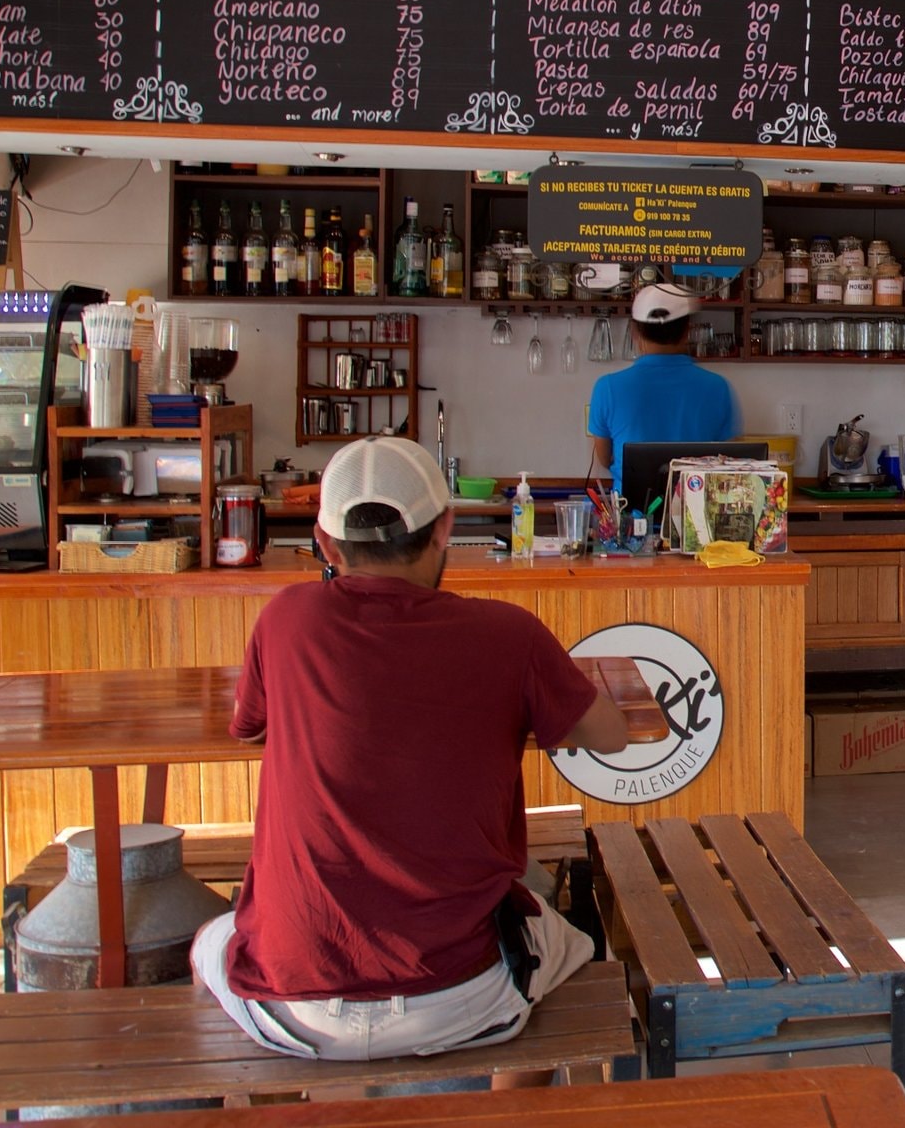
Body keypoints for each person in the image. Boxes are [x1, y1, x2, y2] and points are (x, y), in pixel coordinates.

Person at [191, 435, 631, 1061]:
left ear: (323, 541)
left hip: (293, 1008)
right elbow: (610, 735)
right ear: (445, 528)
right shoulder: (509, 634)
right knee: (580, 947)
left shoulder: (286, 619)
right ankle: (514, 1108)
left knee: (208, 940)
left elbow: (250, 726)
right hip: (461, 998)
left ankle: (267, 1101)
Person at [585, 281, 740, 489]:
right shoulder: (718, 388)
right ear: (687, 331)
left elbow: (605, 458)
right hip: (694, 513)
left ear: (634, 333)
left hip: (630, 515)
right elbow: (727, 459)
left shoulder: (608, 387)